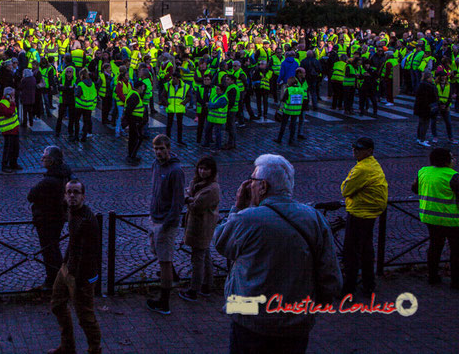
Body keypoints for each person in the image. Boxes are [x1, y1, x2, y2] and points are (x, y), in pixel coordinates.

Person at [214, 154, 342, 354]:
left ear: (263, 186)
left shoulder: (247, 219)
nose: (250, 186)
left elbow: (220, 242)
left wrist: (238, 206)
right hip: (295, 320)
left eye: (252, 181)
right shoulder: (314, 218)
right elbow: (331, 275)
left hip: (252, 320)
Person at [48, 179, 101, 354]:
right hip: (67, 269)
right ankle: (68, 346)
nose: (72, 195)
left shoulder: (87, 221)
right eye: (69, 192)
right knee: (57, 304)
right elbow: (73, 242)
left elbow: (90, 254)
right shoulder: (71, 212)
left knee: (85, 316)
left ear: (83, 196)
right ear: (64, 195)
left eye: (76, 192)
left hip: (81, 275)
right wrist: (65, 263)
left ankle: (95, 350)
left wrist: (78, 279)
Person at [340, 136, 388, 297]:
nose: (355, 152)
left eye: (359, 149)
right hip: (370, 213)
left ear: (369, 151)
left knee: (351, 253)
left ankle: (349, 288)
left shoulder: (362, 169)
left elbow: (346, 189)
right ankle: (368, 284)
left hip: (359, 213)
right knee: (366, 250)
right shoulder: (373, 164)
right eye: (354, 148)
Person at [145, 134, 185, 314]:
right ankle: (171, 279)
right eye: (156, 149)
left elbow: (178, 203)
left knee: (165, 261)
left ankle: (164, 301)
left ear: (168, 148)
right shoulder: (155, 165)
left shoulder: (175, 171)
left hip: (165, 223)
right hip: (156, 218)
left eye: (161, 148)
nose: (158, 152)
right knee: (159, 255)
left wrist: (168, 224)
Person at [411, 147, 459, 288]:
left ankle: (432, 276)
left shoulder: (423, 171)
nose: (454, 160)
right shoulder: (453, 175)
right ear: (447, 161)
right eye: (452, 157)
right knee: (456, 250)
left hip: (429, 217)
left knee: (434, 246)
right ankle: (456, 281)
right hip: (451, 219)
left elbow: (415, 189)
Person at [28, 146, 72, 290]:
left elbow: (31, 195)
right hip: (58, 217)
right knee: (53, 249)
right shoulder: (65, 175)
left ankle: (54, 281)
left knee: (50, 251)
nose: (42, 159)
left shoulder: (49, 181)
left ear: (52, 161)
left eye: (44, 157)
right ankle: (58, 279)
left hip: (47, 219)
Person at [178, 156, 220, 302]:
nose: (202, 171)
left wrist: (187, 199)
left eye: (206, 169)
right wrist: (189, 197)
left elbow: (196, 205)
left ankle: (194, 289)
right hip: (197, 224)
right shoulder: (198, 183)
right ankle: (207, 285)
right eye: (200, 168)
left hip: (202, 226)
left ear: (212, 171)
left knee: (198, 258)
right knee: (205, 254)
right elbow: (190, 195)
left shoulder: (212, 188)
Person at [0, 87, 21, 173]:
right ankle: (5, 165)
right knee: (8, 149)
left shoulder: (9, 102)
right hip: (8, 130)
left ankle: (13, 163)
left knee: (15, 148)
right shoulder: (3, 104)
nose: (14, 97)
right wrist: (12, 104)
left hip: (14, 129)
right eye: (13, 95)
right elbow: (9, 113)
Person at [415, 71, 439, 146]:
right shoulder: (428, 86)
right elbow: (431, 97)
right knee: (425, 124)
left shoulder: (421, 85)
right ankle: (422, 139)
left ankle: (419, 138)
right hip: (426, 107)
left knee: (421, 123)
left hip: (421, 107)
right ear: (428, 78)